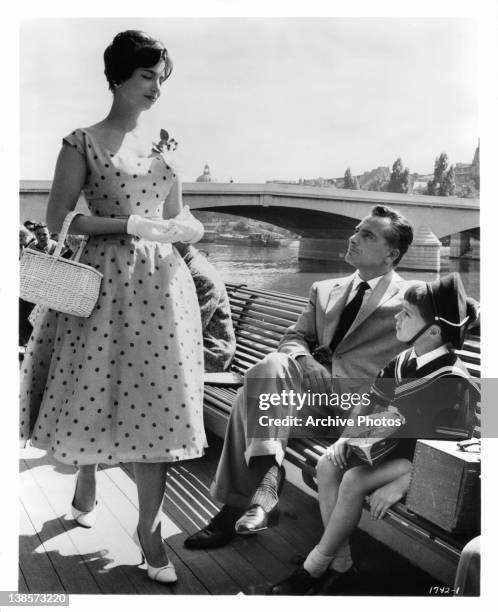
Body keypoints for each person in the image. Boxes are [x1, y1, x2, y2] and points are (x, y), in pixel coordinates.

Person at [20, 30, 206, 585]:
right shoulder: (80, 142)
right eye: (147, 76)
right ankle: (87, 480)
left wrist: (186, 226)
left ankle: (147, 529)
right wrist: (128, 223)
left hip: (161, 289)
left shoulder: (165, 146)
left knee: (160, 403)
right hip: (100, 286)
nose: (155, 89)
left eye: (160, 79)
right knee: (96, 392)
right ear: (119, 77)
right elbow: (59, 222)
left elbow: (179, 216)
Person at [184, 205, 414, 550]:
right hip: (315, 404)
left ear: (391, 254)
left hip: (362, 417)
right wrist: (305, 360)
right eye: (356, 230)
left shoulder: (415, 296)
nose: (353, 238)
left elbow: (472, 314)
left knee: (251, 401)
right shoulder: (324, 289)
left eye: (367, 235)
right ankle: (265, 490)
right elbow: (294, 337)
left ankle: (240, 505)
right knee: (271, 369)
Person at [269, 272, 480, 594]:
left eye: (406, 314)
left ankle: (315, 565)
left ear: (433, 331)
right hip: (395, 449)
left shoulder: (450, 378)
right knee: (328, 463)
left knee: (354, 480)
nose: (397, 316)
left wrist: (402, 483)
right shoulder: (406, 358)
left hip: (424, 464)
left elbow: (452, 448)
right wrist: (345, 438)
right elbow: (371, 402)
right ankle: (340, 562)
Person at [175, 242, 236, 372]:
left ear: (182, 240)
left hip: (211, 354)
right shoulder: (186, 267)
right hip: (195, 347)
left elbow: (192, 327)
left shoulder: (200, 275)